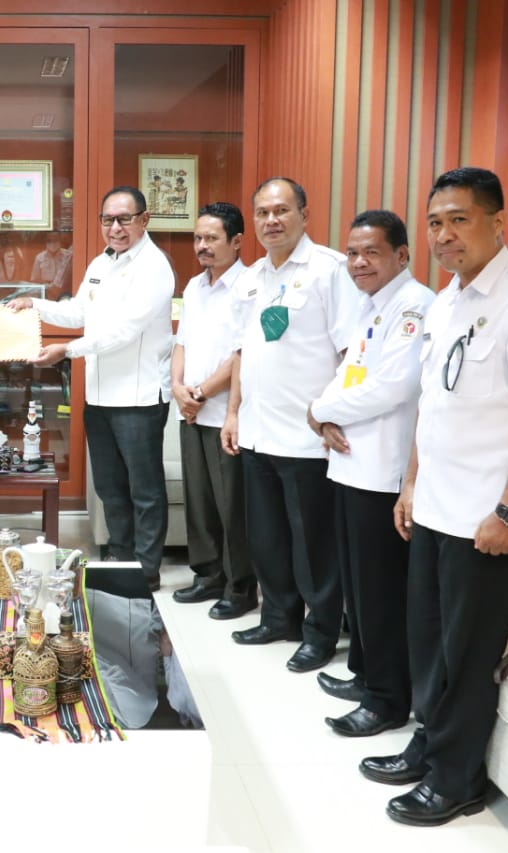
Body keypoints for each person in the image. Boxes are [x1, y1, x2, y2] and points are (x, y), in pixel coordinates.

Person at [363, 167, 508, 827]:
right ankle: (430, 745)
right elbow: (434, 404)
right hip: (435, 507)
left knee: (467, 653)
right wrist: (410, 484)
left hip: (489, 519)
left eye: (459, 219)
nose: (444, 234)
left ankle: (456, 779)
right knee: (428, 643)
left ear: (496, 221)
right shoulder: (446, 302)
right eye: (435, 222)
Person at [220, 177, 359, 672]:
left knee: (313, 545)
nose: (271, 221)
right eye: (262, 212)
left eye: (281, 210)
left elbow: (351, 351)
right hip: (258, 431)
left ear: (304, 214)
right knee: (267, 538)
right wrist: (233, 413)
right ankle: (278, 617)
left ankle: (320, 633)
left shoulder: (329, 271)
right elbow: (243, 352)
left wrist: (333, 414)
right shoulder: (251, 277)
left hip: (307, 438)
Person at [305, 210, 433, 737]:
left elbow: (394, 386)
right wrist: (324, 413)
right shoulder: (368, 304)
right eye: (353, 253)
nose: (359, 263)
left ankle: (386, 699)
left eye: (371, 252)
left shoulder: (414, 305)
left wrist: (320, 410)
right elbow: (348, 373)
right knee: (359, 586)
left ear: (401, 255)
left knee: (381, 590)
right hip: (349, 463)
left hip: (383, 470)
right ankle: (365, 674)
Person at [10, 186, 175, 590]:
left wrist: (68, 350)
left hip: (138, 398)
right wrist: (36, 304)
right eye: (108, 220)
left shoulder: (154, 267)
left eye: (124, 219)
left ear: (144, 220)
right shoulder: (102, 263)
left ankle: (146, 570)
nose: (115, 228)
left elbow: (124, 331)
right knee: (109, 487)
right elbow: (78, 312)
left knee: (144, 490)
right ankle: (119, 556)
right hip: (99, 395)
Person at [170, 202, 256, 618]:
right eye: (197, 238)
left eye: (211, 238)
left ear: (236, 241)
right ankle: (207, 576)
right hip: (190, 410)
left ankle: (240, 589)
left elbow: (241, 354)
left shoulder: (249, 286)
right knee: (199, 501)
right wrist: (178, 388)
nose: (202, 246)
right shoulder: (194, 286)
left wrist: (201, 392)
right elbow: (182, 342)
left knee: (231, 506)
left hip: (225, 413)